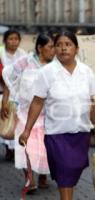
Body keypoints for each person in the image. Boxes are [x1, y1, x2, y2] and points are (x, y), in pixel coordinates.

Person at [18, 31, 95, 200]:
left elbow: (91, 101)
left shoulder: (86, 71)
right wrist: (27, 130)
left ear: (77, 49)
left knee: (74, 169)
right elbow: (37, 102)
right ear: (55, 49)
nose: (63, 48)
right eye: (59, 45)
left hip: (80, 133)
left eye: (68, 44)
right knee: (65, 172)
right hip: (56, 134)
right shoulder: (47, 72)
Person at [1, 33, 55, 192]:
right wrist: (6, 101)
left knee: (45, 148)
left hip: (49, 115)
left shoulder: (55, 66)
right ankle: (29, 178)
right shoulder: (26, 61)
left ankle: (44, 176)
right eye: (50, 47)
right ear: (40, 48)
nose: (53, 50)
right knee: (25, 146)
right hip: (25, 113)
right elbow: (8, 76)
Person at [0, 29, 27, 161]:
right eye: (11, 39)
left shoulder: (23, 55)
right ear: (5, 41)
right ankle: (8, 147)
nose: (14, 42)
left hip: (18, 92)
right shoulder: (1, 53)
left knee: (16, 120)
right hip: (2, 91)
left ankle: (14, 148)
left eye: (16, 39)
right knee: (5, 119)